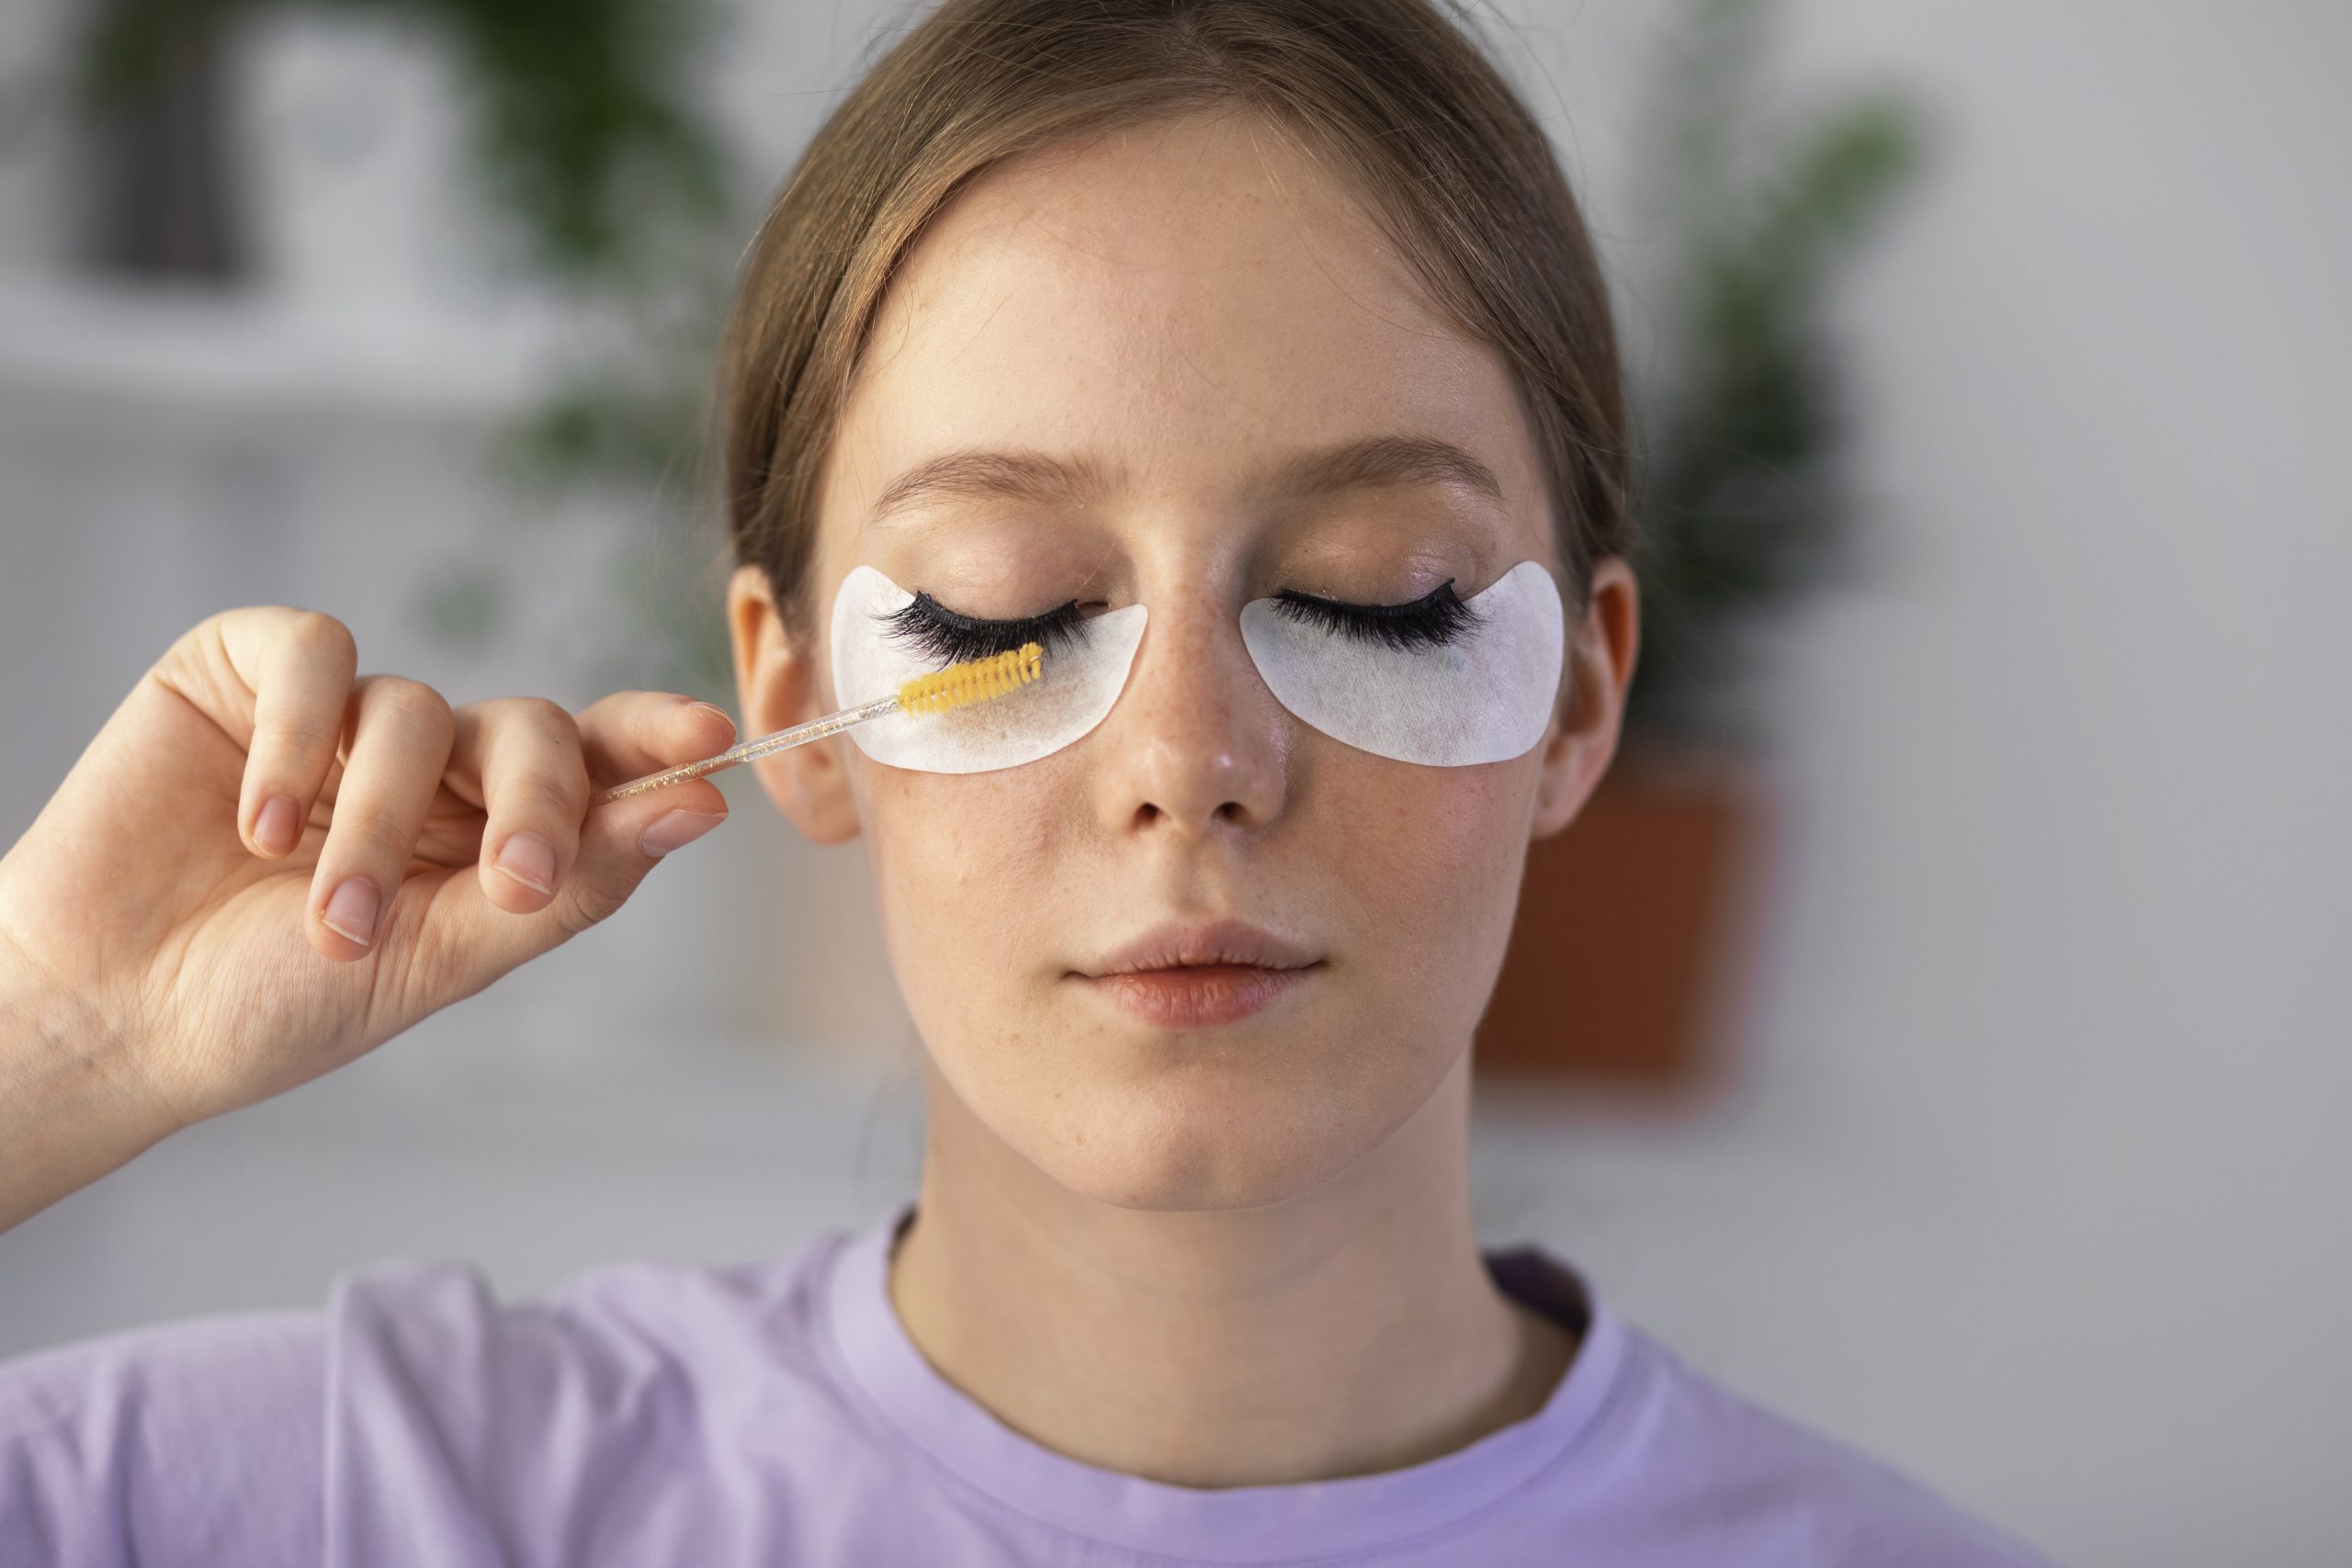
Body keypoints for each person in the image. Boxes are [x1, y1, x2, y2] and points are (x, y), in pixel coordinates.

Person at [0, 1, 2058, 1562]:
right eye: (1004, 607)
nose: (1188, 762)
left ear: (1583, 697)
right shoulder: (364, 1501)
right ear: (793, 692)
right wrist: (54, 1035)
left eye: (1381, 595)